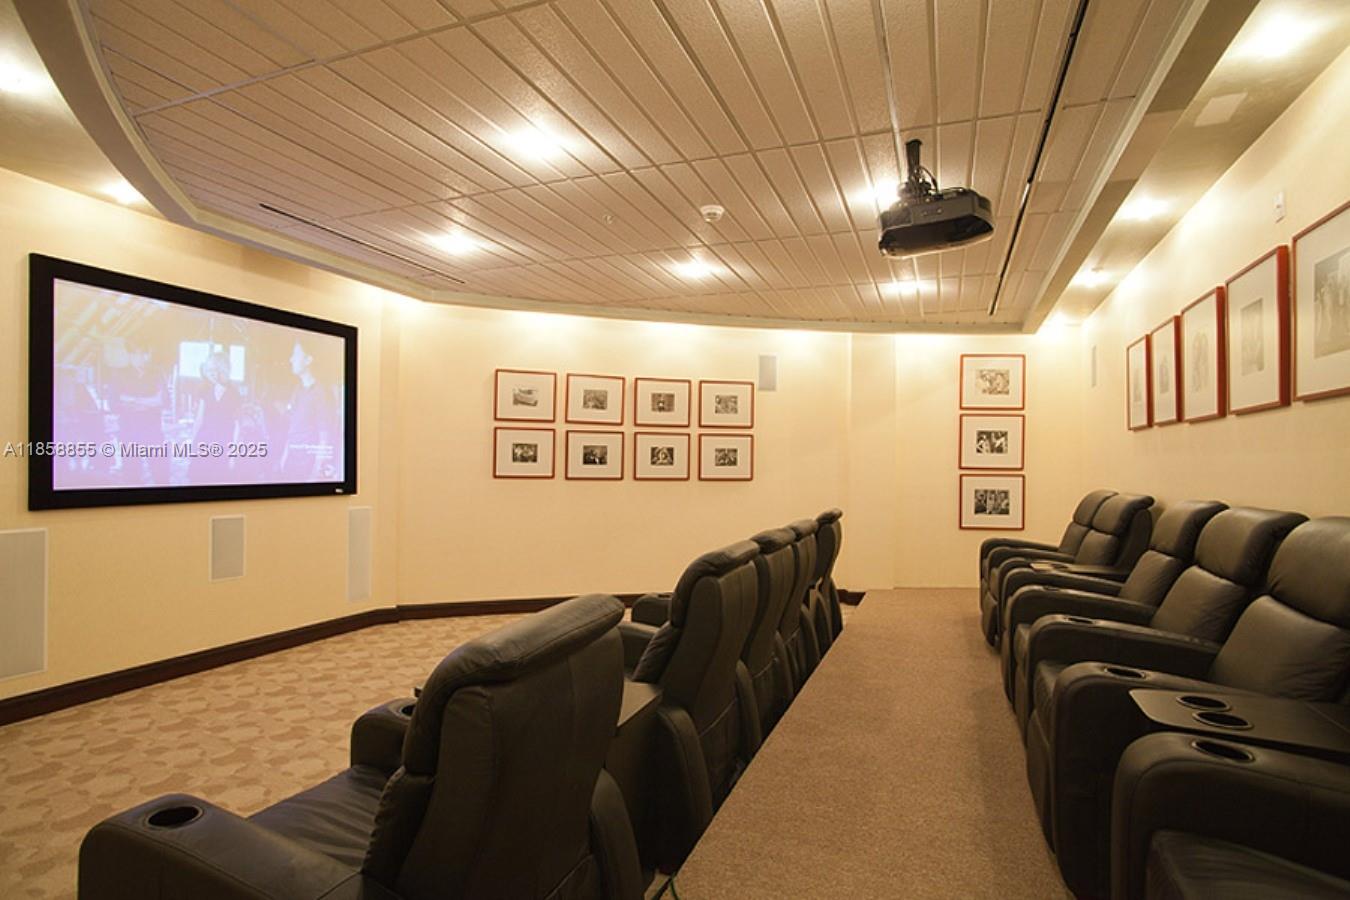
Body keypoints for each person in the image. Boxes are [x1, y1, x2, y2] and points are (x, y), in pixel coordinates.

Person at [112, 335, 168, 485]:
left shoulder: (157, 373)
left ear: (148, 354)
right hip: (129, 432)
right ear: (129, 355)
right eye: (135, 353)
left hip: (153, 432)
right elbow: (114, 404)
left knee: (161, 474)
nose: (140, 357)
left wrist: (131, 400)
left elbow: (164, 401)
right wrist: (150, 402)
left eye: (143, 353)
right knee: (131, 475)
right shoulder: (119, 374)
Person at [278, 340, 337, 481]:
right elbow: (293, 427)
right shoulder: (297, 389)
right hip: (291, 463)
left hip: (307, 467)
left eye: (295, 355)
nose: (291, 359)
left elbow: (324, 437)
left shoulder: (321, 392)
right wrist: (284, 457)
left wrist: (315, 473)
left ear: (308, 360)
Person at [191, 351, 241, 484]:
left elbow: (237, 426)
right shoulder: (205, 390)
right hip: (203, 442)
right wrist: (192, 444)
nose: (211, 373)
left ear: (223, 369)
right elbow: (199, 420)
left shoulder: (234, 394)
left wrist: (233, 455)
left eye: (215, 369)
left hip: (223, 445)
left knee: (219, 481)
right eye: (209, 370)